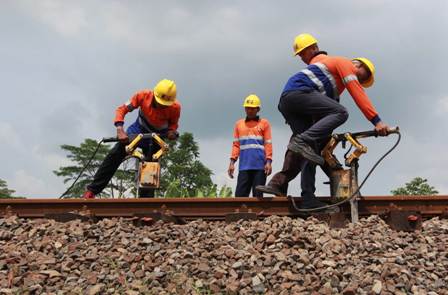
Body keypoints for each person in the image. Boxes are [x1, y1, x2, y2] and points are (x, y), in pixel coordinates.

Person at [257, 33, 390, 209]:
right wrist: (377, 121)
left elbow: (324, 117)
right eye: (361, 76)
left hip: (289, 102)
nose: (358, 80)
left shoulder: (328, 82)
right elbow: (357, 95)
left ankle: (299, 194)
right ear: (357, 64)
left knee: (310, 148)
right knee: (340, 114)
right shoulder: (344, 63)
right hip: (297, 94)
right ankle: (304, 144)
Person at [83, 79, 181, 199]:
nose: (161, 106)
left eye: (165, 104)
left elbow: (173, 124)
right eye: (160, 102)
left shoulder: (175, 108)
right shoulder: (142, 96)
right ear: (154, 94)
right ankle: (92, 191)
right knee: (116, 153)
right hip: (138, 131)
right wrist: (120, 130)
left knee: (150, 167)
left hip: (157, 137)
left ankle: (145, 204)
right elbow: (122, 109)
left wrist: (171, 132)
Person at [228, 94, 273, 197]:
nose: (250, 110)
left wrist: (269, 161)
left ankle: (257, 213)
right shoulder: (238, 124)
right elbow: (236, 145)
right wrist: (232, 163)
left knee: (257, 197)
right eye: (247, 108)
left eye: (252, 108)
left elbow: (268, 143)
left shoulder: (264, 123)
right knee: (240, 196)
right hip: (244, 167)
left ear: (258, 109)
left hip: (260, 167)